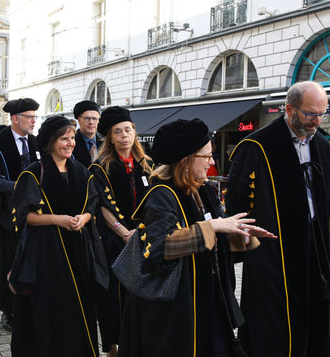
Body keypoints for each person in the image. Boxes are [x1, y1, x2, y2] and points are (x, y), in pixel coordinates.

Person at [118, 118, 274, 357]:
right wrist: (212, 226)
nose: (212, 162)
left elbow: (215, 235)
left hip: (206, 297)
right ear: (186, 160)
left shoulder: (203, 189)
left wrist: (240, 234)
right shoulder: (161, 194)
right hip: (174, 309)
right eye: (207, 156)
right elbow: (160, 247)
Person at [225, 81, 330, 357]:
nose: (317, 121)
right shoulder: (258, 145)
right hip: (274, 249)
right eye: (310, 114)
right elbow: (237, 200)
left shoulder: (322, 144)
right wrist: (245, 242)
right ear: (289, 109)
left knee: (318, 308)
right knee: (274, 319)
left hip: (317, 245)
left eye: (322, 113)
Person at [8, 115, 108, 357]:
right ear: (51, 142)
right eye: (65, 138)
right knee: (51, 311)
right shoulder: (33, 174)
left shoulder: (82, 173)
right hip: (47, 254)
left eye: (73, 138)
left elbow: (92, 206)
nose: (71, 143)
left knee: (80, 308)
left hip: (79, 251)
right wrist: (59, 220)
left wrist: (83, 219)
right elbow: (25, 217)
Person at [88, 106, 153, 357]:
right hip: (115, 241)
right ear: (110, 137)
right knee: (115, 298)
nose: (125, 135)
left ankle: (138, 343)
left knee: (141, 293)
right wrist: (124, 232)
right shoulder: (101, 167)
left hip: (144, 238)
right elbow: (102, 207)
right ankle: (114, 347)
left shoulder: (146, 165)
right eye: (118, 131)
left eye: (128, 130)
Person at [0, 98, 39, 330]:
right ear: (15, 119)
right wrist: (20, 186)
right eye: (30, 116)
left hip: (33, 211)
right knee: (6, 259)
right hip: (3, 212)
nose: (34, 121)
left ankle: (30, 306)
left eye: (36, 116)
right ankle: (7, 310)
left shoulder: (37, 142)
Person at [72, 100, 102, 167]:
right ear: (79, 120)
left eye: (94, 118)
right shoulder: (71, 142)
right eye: (87, 118)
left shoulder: (105, 142)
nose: (91, 122)